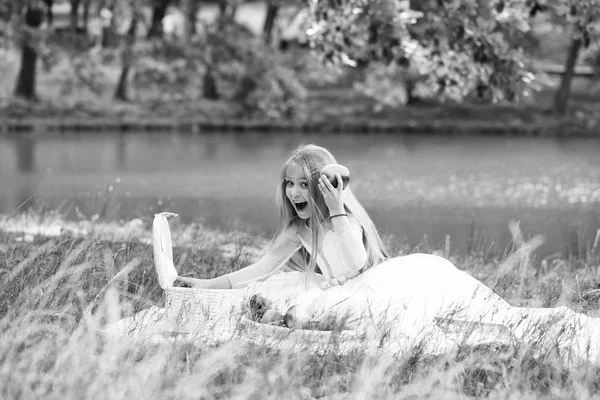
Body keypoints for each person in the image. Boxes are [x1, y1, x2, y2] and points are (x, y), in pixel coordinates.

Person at [175, 144, 600, 362]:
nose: (295, 192)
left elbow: (357, 265)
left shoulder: (348, 219)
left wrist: (337, 204)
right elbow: (261, 267)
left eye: (304, 184)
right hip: (341, 290)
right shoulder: (296, 227)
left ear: (322, 185)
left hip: (379, 282)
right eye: (290, 183)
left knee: (466, 319)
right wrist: (203, 284)